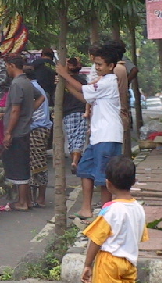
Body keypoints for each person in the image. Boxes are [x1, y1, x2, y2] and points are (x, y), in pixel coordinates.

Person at [56, 44, 123, 219]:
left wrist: (65, 75)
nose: (97, 67)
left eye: (100, 64)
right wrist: (66, 86)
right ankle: (86, 208)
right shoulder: (101, 81)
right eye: (96, 64)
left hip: (108, 135)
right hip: (98, 136)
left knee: (103, 175)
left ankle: (105, 211)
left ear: (110, 66)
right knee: (85, 168)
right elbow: (86, 96)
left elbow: (83, 89)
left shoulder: (108, 81)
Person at [81, 156, 148, 283]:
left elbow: (96, 239)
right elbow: (140, 236)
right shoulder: (139, 209)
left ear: (108, 183)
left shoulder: (111, 211)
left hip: (109, 263)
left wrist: (87, 264)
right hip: (130, 263)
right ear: (134, 181)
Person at [0, 55, 43, 211]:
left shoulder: (17, 84)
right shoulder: (27, 83)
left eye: (6, 66)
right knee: (22, 164)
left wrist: (8, 132)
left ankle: (23, 202)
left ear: (11, 65)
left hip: (17, 131)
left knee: (18, 167)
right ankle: (26, 200)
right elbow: (41, 97)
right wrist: (29, 112)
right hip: (24, 129)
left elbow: (15, 110)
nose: (6, 69)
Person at [28, 71, 52, 207]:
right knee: (37, 164)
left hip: (36, 129)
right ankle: (37, 197)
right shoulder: (37, 87)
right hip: (39, 129)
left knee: (37, 165)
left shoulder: (33, 89)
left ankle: (39, 198)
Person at [62, 57, 88, 175]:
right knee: (80, 137)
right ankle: (75, 161)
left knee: (72, 138)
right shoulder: (82, 81)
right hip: (82, 112)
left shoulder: (63, 82)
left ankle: (75, 161)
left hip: (68, 113)